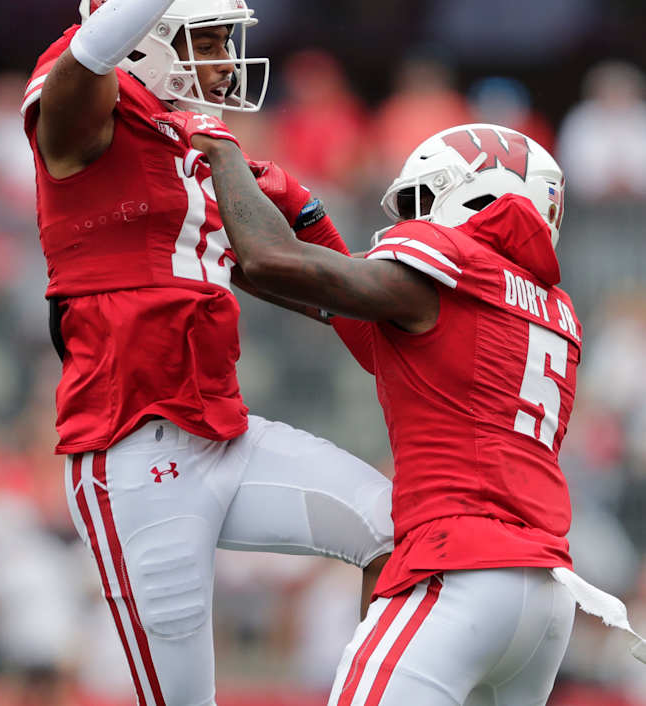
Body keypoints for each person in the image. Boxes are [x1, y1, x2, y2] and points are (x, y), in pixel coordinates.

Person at [20, 0, 394, 706]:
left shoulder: (219, 161)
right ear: (151, 39)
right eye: (209, 38)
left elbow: (340, 290)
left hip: (221, 431)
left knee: (402, 531)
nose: (227, 62)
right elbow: (87, 58)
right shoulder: (86, 125)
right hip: (131, 450)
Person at [179, 117, 646, 705]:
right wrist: (305, 211)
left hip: (457, 575)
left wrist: (220, 156)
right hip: (542, 602)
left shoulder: (453, 259)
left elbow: (276, 263)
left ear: (478, 194)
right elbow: (347, 305)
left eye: (425, 202)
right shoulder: (553, 307)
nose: (413, 222)